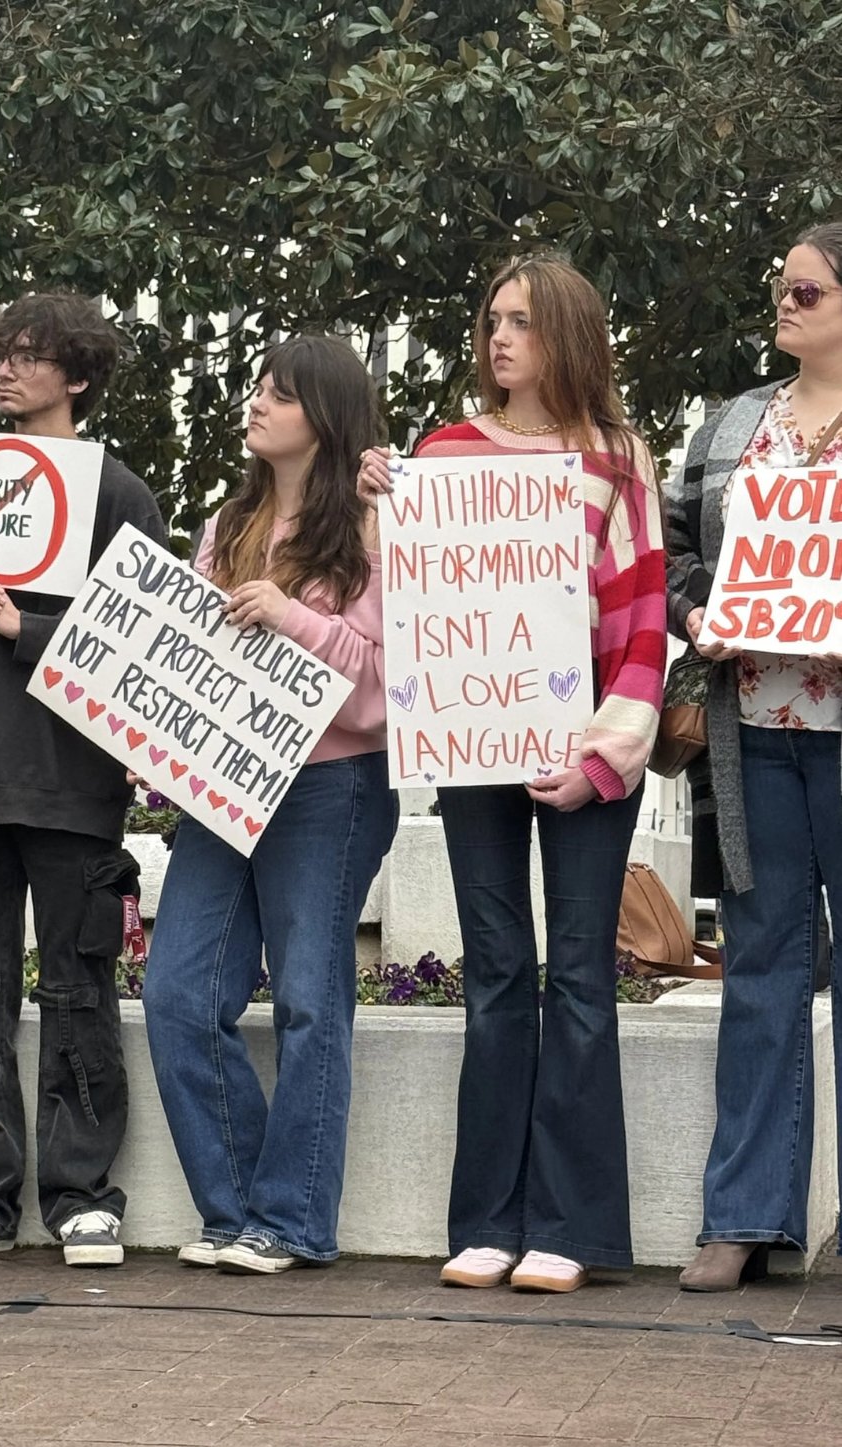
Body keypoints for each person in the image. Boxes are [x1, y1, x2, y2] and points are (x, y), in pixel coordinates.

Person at [375, 254, 666, 1294]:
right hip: (470, 749)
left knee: (581, 975)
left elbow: (639, 623)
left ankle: (572, 1226)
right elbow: (411, 611)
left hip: (581, 750)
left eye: (522, 322)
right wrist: (382, 507)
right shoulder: (439, 455)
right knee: (495, 976)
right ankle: (487, 1217)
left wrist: (601, 757)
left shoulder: (614, 458)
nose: (499, 338)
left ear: (566, 336)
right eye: (491, 318)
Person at [0, 294, 165, 1268]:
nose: (4, 371)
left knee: (76, 985)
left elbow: (138, 657)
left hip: (74, 785)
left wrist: (29, 629)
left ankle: (82, 1192)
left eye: (26, 356)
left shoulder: (122, 496)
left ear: (79, 376)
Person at [137, 337, 398, 1275]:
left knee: (307, 999)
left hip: (332, 786)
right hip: (224, 785)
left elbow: (385, 683)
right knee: (174, 992)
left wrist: (293, 618)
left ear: (322, 417)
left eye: (277, 394)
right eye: (255, 388)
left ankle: (292, 1222)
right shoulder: (226, 524)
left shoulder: (372, 529)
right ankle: (238, 1208)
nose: (255, 405)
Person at [665, 222, 842, 1291]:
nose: (783, 303)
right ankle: (742, 1214)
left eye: (807, 293)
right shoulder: (732, 424)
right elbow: (680, 548)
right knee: (760, 970)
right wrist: (698, 617)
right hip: (755, 741)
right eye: (780, 289)